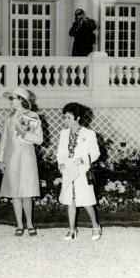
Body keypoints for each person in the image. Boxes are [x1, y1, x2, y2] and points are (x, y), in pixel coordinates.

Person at [0, 88, 43, 236]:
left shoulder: (32, 115)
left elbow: (39, 139)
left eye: (13, 98)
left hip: (26, 156)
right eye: (10, 99)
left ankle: (29, 223)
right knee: (14, 193)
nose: (11, 101)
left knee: (26, 192)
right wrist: (0, 159)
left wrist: (24, 133)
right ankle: (18, 224)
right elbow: (4, 139)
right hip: (11, 158)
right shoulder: (8, 117)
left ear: (22, 100)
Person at [56, 102, 101, 241]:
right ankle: (71, 230)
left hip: (81, 171)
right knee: (70, 201)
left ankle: (95, 226)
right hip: (69, 171)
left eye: (69, 118)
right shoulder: (63, 133)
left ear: (78, 118)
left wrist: (83, 161)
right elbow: (60, 152)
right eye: (65, 117)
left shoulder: (89, 134)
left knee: (86, 200)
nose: (66, 121)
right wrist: (61, 164)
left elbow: (95, 153)